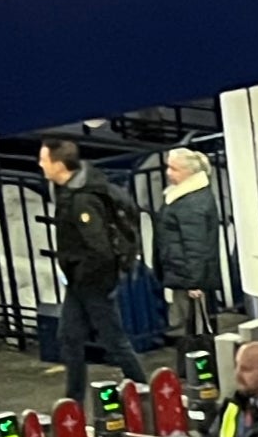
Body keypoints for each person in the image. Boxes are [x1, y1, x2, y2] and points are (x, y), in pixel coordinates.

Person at [39, 138, 149, 402]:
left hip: (93, 282)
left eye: (44, 160)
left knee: (114, 341)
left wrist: (82, 276)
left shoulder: (82, 201)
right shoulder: (72, 190)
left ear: (59, 164)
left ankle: (144, 391)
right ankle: (73, 400)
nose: (40, 165)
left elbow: (98, 248)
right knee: (69, 337)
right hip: (80, 282)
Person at [149, 146, 224, 352]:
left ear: (188, 172)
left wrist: (194, 283)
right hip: (184, 274)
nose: (168, 172)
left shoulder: (191, 203)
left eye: (173, 168)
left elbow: (196, 246)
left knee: (192, 328)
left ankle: (197, 371)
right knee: (190, 326)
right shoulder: (187, 196)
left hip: (189, 279)